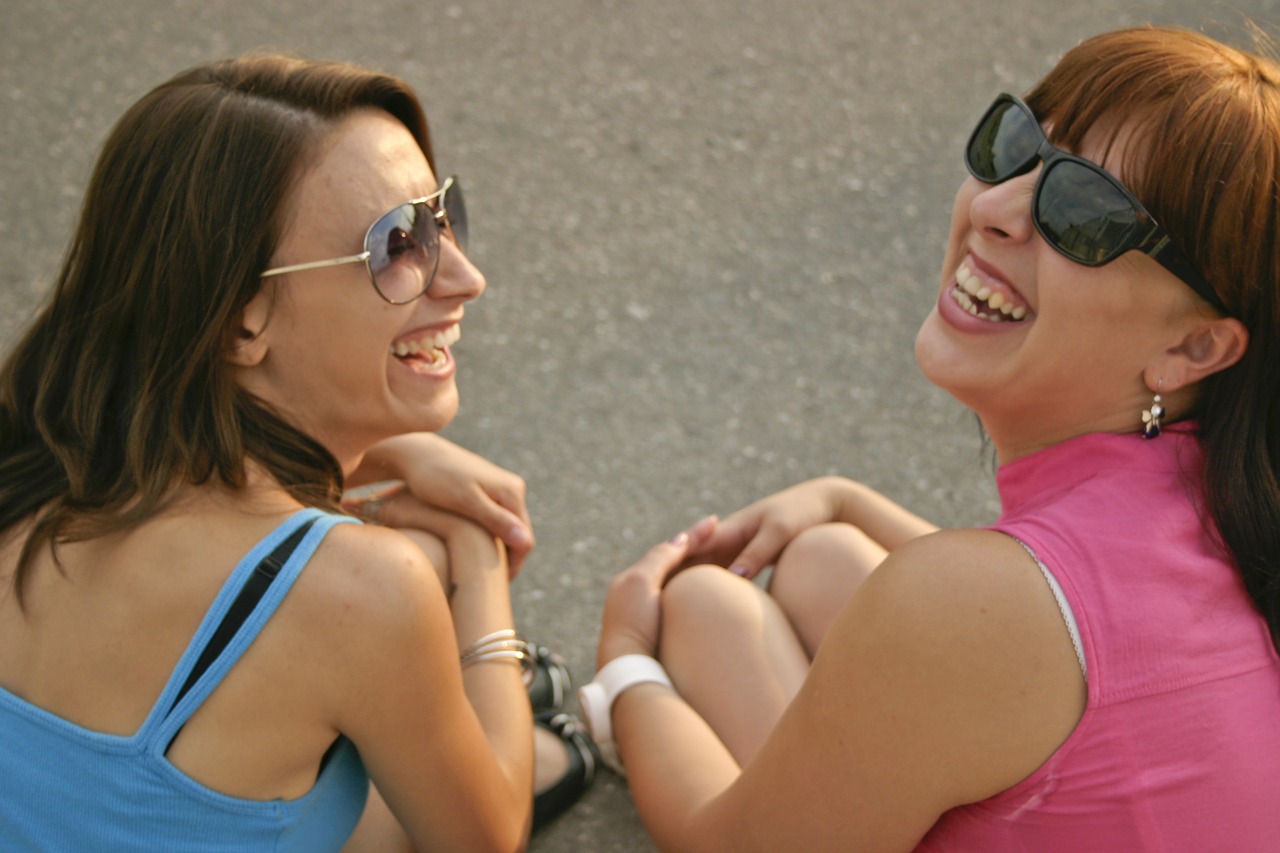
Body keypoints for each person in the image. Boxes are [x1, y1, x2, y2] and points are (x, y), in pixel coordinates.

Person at [587, 25, 1280, 851]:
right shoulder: (1235, 496)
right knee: (821, 557)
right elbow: (1077, 631)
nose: (994, 207)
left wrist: (626, 666)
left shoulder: (969, 607)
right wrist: (847, 500)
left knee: (698, 609)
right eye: (1016, 148)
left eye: (1083, 211)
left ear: (1194, 346)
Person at [0, 54, 593, 852]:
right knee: (412, 583)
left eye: (442, 216)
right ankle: (523, 722)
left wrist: (396, 457)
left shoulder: (37, 434)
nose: (465, 276)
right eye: (397, 244)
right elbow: (486, 840)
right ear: (240, 320)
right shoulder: (368, 591)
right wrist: (480, 563)